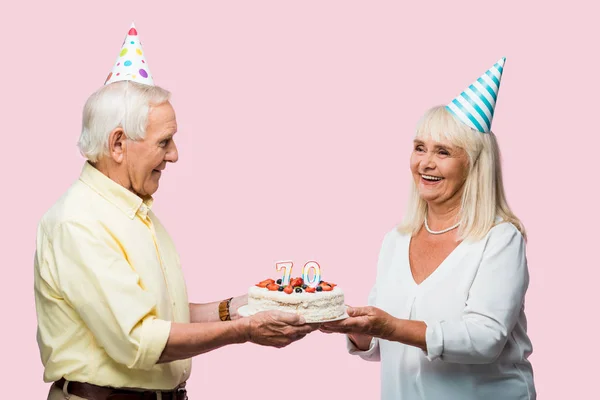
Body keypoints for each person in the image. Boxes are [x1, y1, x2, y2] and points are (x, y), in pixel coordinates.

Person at [34, 24, 317, 400]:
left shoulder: (135, 213)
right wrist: (245, 332)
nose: (174, 155)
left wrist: (237, 309)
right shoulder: (79, 222)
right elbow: (139, 340)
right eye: (164, 141)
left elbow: (160, 316)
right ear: (118, 144)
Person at [321, 58, 536, 399]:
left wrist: (389, 326)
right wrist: (355, 329)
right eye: (420, 147)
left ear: (474, 165)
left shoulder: (500, 239)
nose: (426, 163)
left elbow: (484, 339)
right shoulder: (396, 240)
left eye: (443, 152)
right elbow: (383, 343)